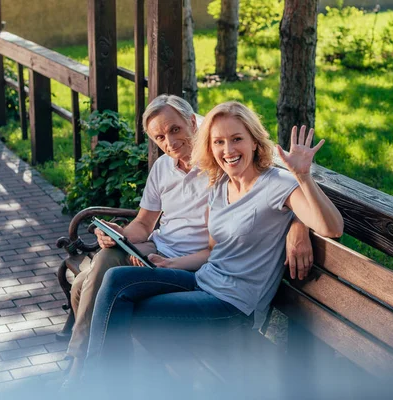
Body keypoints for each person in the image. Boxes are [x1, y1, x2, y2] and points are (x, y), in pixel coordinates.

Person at [81, 101, 344, 390]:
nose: (228, 150)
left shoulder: (278, 184)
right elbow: (213, 251)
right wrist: (170, 265)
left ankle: (98, 387)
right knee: (116, 279)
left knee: (131, 315)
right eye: (219, 142)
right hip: (201, 282)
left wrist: (303, 179)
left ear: (255, 142)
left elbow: (332, 227)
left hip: (232, 305)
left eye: (236, 139)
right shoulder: (220, 185)